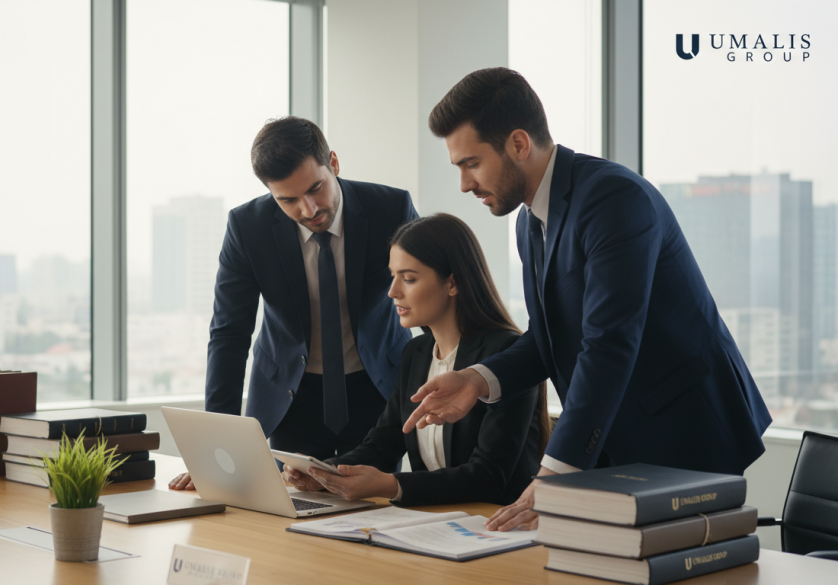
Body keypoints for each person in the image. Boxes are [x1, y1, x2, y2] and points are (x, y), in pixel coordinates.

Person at [402, 68, 772, 530]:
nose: (463, 184)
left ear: (519, 144)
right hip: (617, 440)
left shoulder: (612, 198)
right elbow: (550, 338)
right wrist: (477, 380)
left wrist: (555, 472)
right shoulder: (529, 222)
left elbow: (609, 342)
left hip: (684, 436)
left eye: (471, 163)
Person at [171, 117, 418, 490]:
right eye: (288, 200)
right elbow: (229, 334)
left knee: (373, 509)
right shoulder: (247, 227)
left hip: (378, 390)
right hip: (289, 398)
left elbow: (430, 300)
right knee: (291, 512)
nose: (309, 209)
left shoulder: (390, 208)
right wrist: (214, 444)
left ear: (333, 163)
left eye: (316, 188)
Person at [283, 213, 549, 507]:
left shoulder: (506, 356)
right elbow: (382, 445)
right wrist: (322, 474)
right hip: (431, 523)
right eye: (393, 276)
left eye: (408, 278)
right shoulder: (416, 353)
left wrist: (391, 485)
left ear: (453, 283)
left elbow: (489, 476)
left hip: (494, 526)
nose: (393, 292)